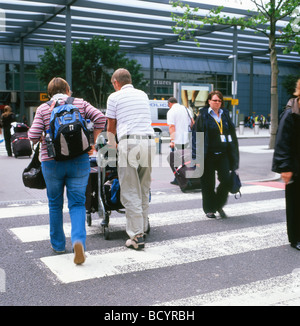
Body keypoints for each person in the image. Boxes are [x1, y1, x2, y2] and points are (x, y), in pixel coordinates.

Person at [28, 77, 106, 264]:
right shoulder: (80, 103)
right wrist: (92, 143)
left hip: (52, 162)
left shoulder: (43, 108)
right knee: (78, 203)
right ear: (68, 90)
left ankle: (58, 245)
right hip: (79, 160)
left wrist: (42, 138)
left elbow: (32, 135)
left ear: (49, 93)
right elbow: (100, 118)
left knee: (55, 204)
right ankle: (78, 241)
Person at [106, 68, 156, 251]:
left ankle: (136, 236)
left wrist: (112, 147)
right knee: (143, 188)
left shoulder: (114, 97)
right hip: (149, 142)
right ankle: (142, 227)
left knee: (130, 190)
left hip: (129, 142)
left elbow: (111, 126)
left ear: (116, 83)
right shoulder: (143, 94)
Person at [194, 90, 239, 219]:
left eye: (219, 101)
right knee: (208, 183)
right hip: (208, 155)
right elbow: (198, 137)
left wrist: (233, 154)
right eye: (215, 100)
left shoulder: (225, 115)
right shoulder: (203, 116)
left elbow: (232, 134)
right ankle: (209, 209)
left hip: (223, 153)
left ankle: (218, 204)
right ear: (209, 101)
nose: (217, 103)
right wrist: (197, 158)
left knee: (226, 180)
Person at [272, 79, 300, 250]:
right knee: (295, 204)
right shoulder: (291, 113)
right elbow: (282, 142)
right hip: (295, 167)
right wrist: (285, 168)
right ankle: (295, 238)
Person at [167, 97, 194, 185]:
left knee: (177, 160)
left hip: (178, 140)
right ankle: (189, 176)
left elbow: (171, 127)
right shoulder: (186, 109)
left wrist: (172, 140)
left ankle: (179, 178)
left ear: (170, 104)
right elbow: (192, 123)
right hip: (187, 139)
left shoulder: (171, 111)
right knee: (187, 159)